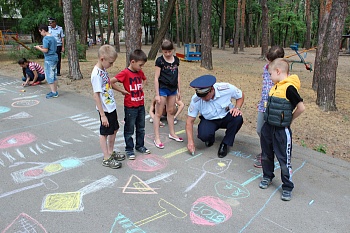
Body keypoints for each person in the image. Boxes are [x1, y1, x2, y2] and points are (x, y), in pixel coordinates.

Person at [259, 58, 305, 201]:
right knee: (266, 155)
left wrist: (289, 120)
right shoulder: (276, 86)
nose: (270, 77)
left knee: (284, 159)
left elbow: (301, 107)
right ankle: (267, 176)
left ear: (278, 71)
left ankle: (287, 186)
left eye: (271, 74)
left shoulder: (289, 88)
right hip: (268, 127)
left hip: (281, 131)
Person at [186, 74, 244, 158]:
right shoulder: (196, 99)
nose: (203, 99)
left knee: (238, 118)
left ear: (212, 89)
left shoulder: (226, 88)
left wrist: (237, 108)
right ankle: (210, 138)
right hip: (209, 120)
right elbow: (189, 121)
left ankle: (225, 143)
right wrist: (190, 142)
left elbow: (241, 95)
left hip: (226, 116)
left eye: (205, 96)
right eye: (201, 97)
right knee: (203, 135)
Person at [90, 44, 127, 169]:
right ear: (102, 59)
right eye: (110, 63)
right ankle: (106, 158)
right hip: (104, 110)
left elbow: (108, 84)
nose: (112, 65)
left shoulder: (103, 71)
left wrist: (121, 91)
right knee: (104, 133)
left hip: (111, 106)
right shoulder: (96, 74)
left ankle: (111, 152)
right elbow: (96, 95)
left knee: (115, 128)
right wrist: (102, 115)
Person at [110, 49, 150, 160]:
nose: (141, 68)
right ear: (132, 62)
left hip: (140, 105)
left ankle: (140, 146)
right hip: (130, 107)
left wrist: (143, 84)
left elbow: (145, 79)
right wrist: (122, 91)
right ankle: (129, 149)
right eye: (140, 65)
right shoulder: (125, 73)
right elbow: (111, 82)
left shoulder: (139, 72)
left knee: (141, 128)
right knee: (129, 129)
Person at [254, 45, 285, 168]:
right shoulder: (266, 68)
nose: (269, 63)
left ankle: (266, 155)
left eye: (272, 61)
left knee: (269, 133)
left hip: (275, 107)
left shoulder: (282, 73)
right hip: (264, 105)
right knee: (260, 130)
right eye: (268, 60)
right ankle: (266, 152)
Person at [153, 39, 183, 149]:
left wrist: (179, 90)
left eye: (169, 51)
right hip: (162, 89)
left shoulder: (176, 60)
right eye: (165, 52)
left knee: (171, 111)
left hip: (173, 89)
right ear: (162, 51)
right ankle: (157, 137)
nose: (168, 54)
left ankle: (172, 133)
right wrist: (157, 94)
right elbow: (156, 78)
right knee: (159, 113)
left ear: (173, 50)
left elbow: (178, 75)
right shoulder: (160, 61)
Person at [34, 25, 58, 99]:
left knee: (49, 76)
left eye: (40, 32)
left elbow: (46, 50)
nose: (41, 33)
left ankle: (53, 92)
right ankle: (55, 91)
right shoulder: (53, 37)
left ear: (43, 30)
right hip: (54, 57)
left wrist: (38, 48)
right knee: (54, 75)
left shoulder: (46, 38)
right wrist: (42, 46)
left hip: (49, 58)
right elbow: (49, 47)